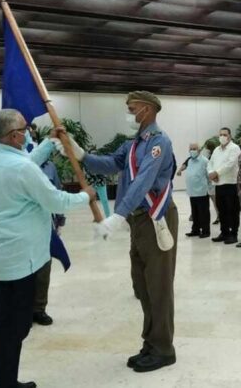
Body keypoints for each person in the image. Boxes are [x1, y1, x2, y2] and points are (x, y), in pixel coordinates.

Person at [0, 109, 96, 388]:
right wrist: (85, 195)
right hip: (20, 260)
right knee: (14, 327)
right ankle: (5, 385)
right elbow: (56, 201)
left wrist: (46, 143)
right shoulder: (21, 168)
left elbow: (24, 165)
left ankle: (5, 381)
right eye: (25, 128)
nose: (28, 131)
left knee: (2, 322)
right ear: (14, 135)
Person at [76, 91, 179, 372]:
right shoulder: (133, 144)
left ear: (147, 110)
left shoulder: (159, 142)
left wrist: (117, 215)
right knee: (142, 284)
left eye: (132, 109)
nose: (130, 114)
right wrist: (81, 154)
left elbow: (144, 180)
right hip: (138, 220)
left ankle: (163, 348)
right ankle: (150, 342)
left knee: (158, 286)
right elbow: (110, 164)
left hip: (155, 218)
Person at [33, 156, 67, 327]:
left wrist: (60, 220)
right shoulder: (21, 163)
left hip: (47, 223)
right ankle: (23, 309)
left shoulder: (50, 167)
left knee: (44, 266)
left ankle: (39, 308)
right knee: (26, 267)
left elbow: (57, 192)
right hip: (26, 225)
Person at [208, 127, 241, 244]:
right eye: (221, 134)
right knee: (221, 210)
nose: (222, 136)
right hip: (218, 184)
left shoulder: (234, 148)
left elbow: (230, 164)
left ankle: (233, 234)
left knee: (232, 210)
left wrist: (216, 172)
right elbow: (210, 163)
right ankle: (224, 232)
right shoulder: (217, 149)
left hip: (231, 183)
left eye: (225, 134)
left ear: (230, 136)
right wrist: (211, 173)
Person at [181, 143, 211, 238]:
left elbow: (209, 175)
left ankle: (206, 231)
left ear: (199, 150)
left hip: (202, 191)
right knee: (195, 212)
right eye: (191, 149)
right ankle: (196, 230)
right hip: (192, 191)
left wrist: (209, 188)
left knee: (204, 212)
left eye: (194, 149)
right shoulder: (189, 161)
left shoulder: (204, 161)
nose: (192, 150)